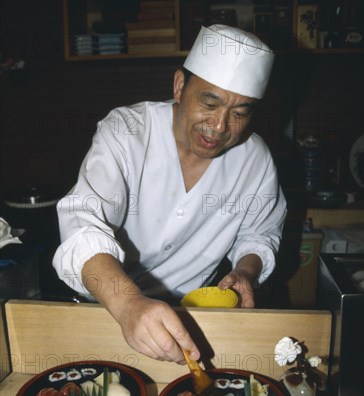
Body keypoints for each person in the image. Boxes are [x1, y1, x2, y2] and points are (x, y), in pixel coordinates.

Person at [53, 25, 287, 365]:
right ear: (179, 86)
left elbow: (260, 234)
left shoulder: (254, 159)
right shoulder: (127, 131)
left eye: (239, 113)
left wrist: (246, 273)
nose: (219, 127)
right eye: (210, 103)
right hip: (108, 308)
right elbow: (82, 223)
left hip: (191, 319)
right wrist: (129, 303)